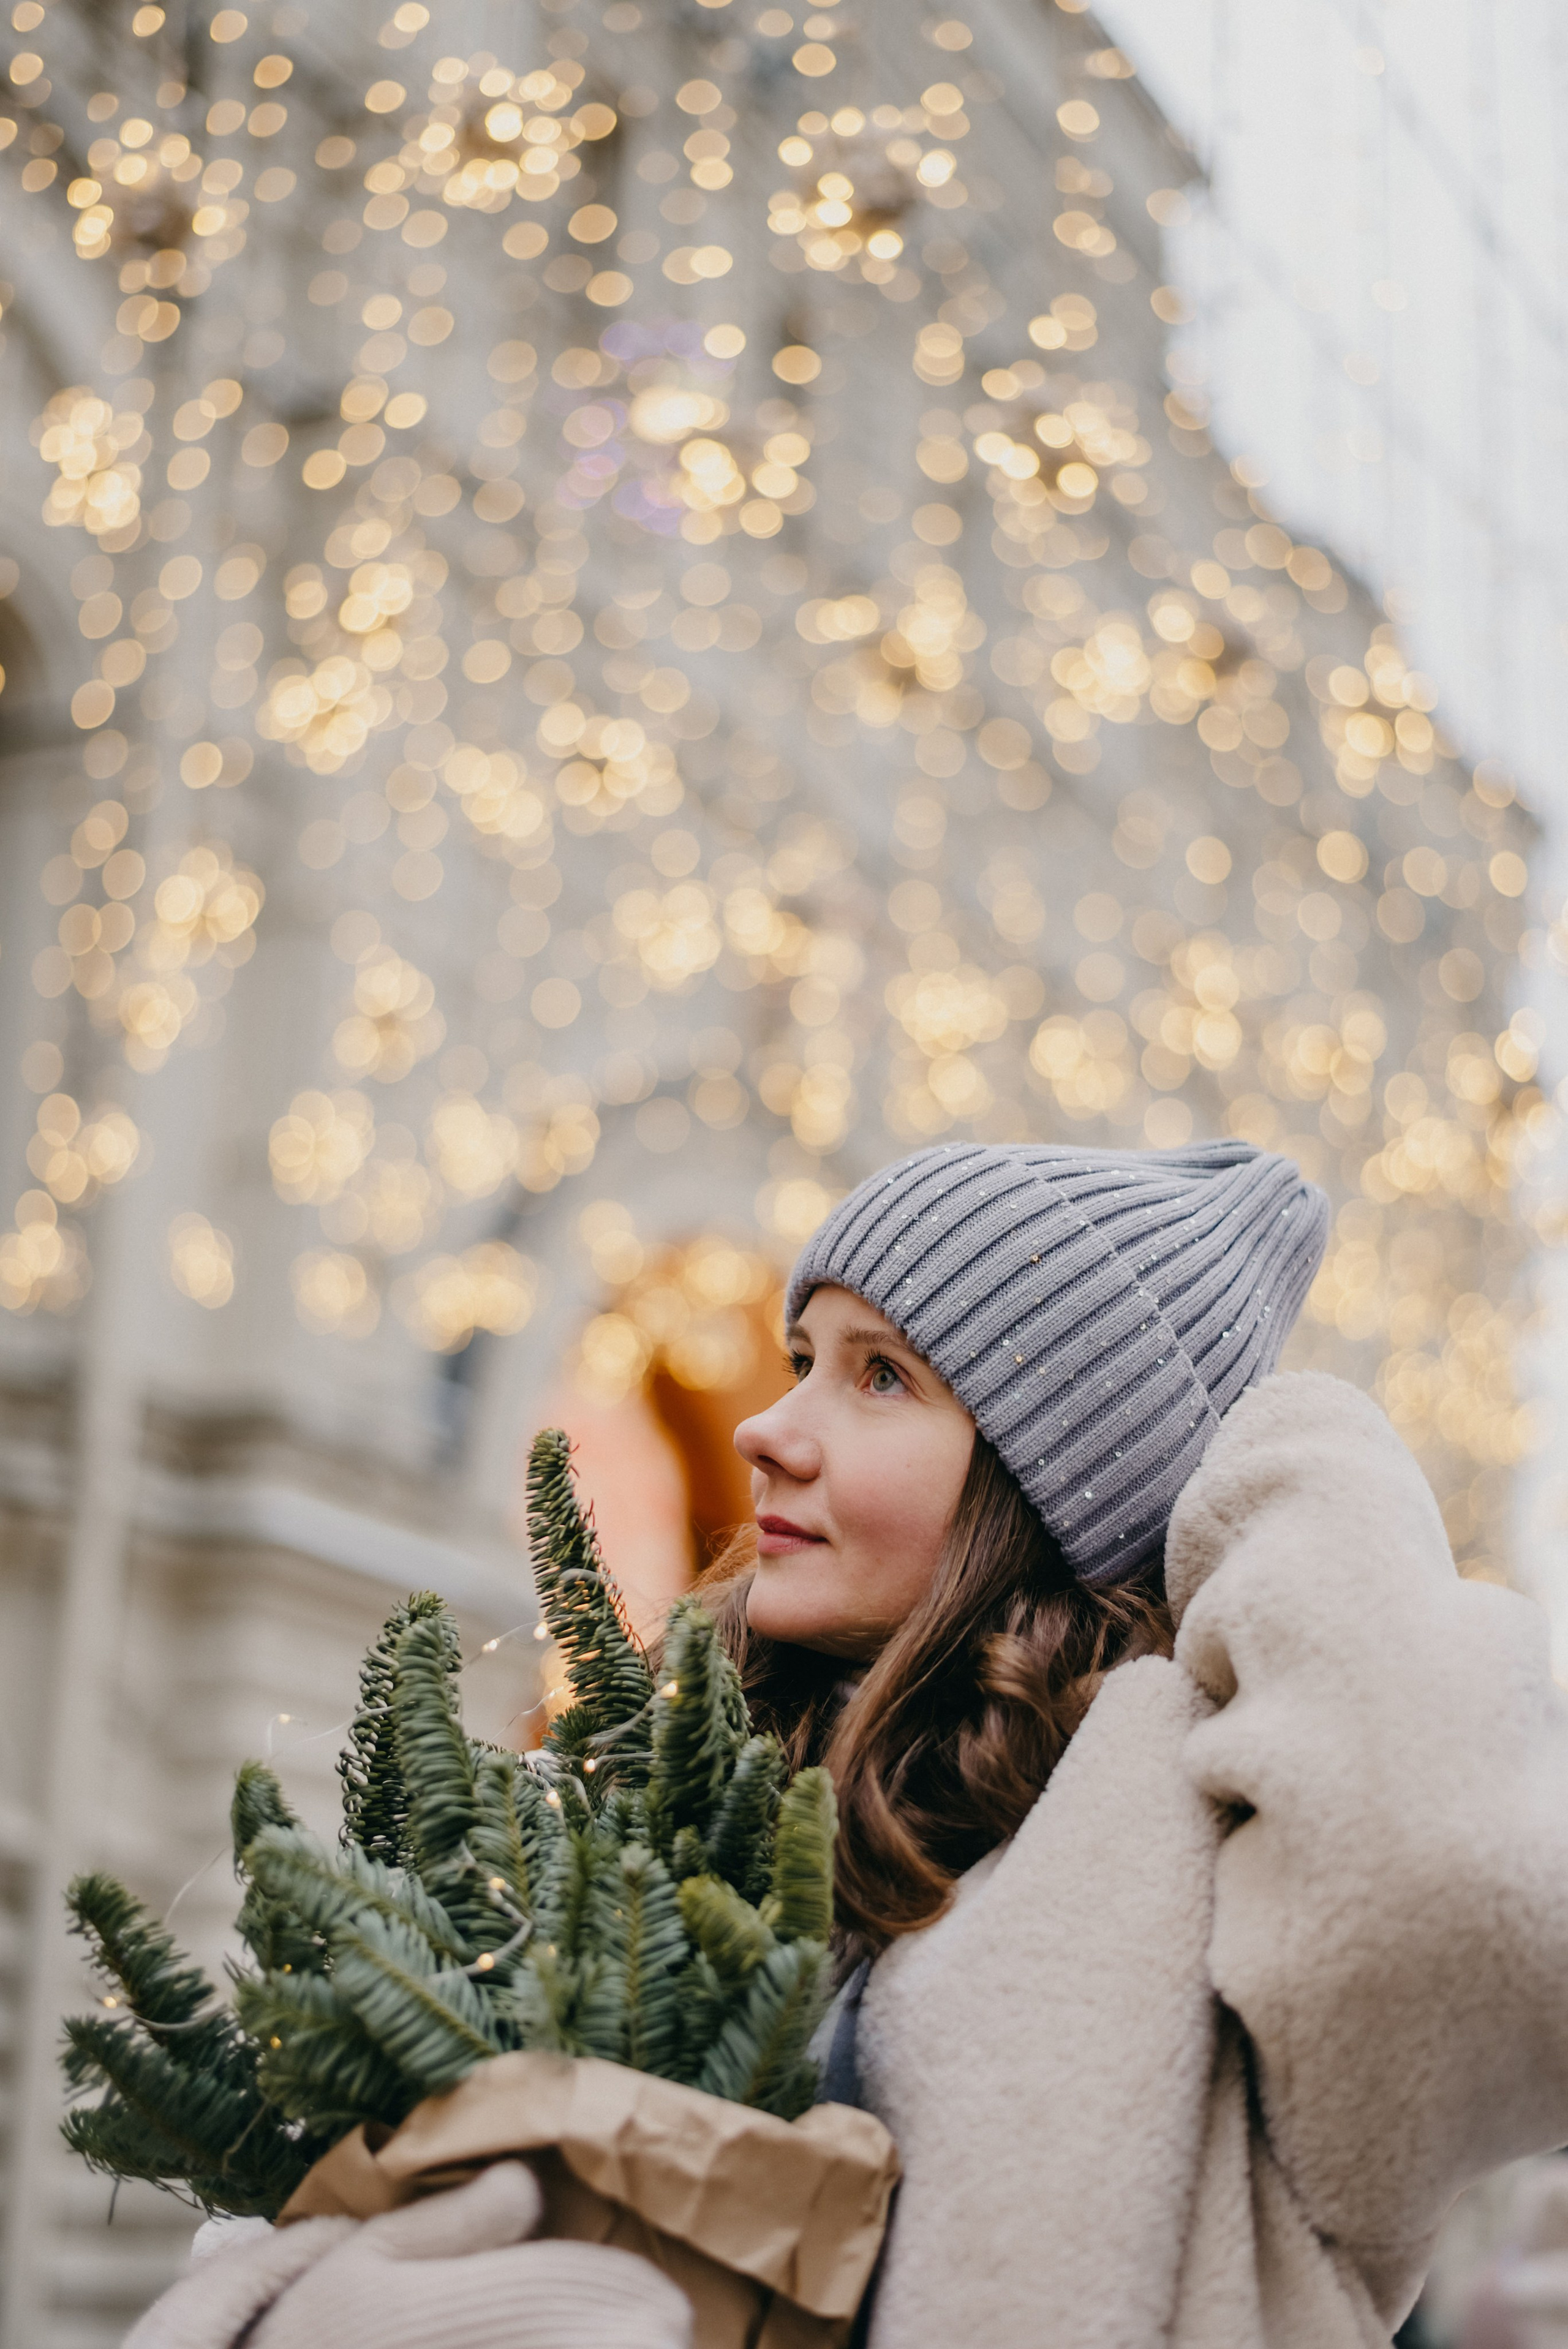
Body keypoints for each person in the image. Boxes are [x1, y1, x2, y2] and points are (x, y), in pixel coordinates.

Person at [130, 1139, 1568, 2349]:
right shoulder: (658, 1816)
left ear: (1049, 1477)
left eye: (881, 1377)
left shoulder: (1214, 1855)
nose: (765, 1425)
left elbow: (1463, 1899)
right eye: (802, 1356)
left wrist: (1293, 1448)